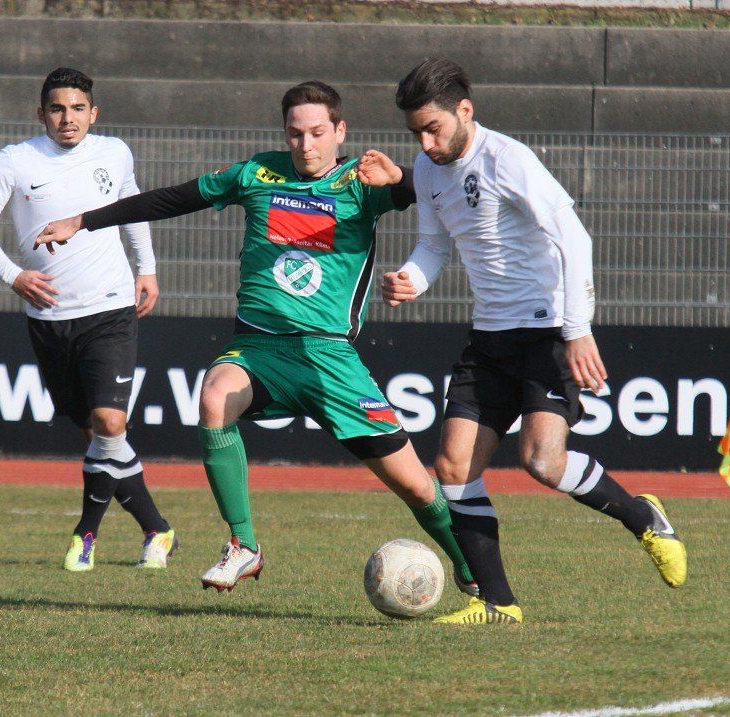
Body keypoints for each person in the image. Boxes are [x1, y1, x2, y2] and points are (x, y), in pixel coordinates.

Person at [35, 81, 476, 598]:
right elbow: (171, 199)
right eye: (295, 134)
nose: (306, 145)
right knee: (215, 395)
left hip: (328, 356)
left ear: (340, 132)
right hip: (259, 347)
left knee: (416, 486)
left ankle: (474, 573)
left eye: (317, 133)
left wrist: (400, 178)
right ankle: (243, 544)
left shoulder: (362, 180)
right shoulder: (257, 174)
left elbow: (438, 191)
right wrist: (82, 221)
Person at [375, 58, 688, 625]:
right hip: (489, 337)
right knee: (453, 466)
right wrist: (411, 280)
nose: (425, 144)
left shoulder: (508, 159)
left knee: (542, 462)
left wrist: (577, 330)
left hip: (547, 333)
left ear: (464, 111)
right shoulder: (426, 168)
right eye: (416, 133)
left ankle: (643, 517)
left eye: (433, 129)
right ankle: (497, 603)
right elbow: (435, 246)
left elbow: (574, 238)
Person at [0, 67, 177, 572]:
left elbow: (132, 209)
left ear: (93, 113)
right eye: (57, 109)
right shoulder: (15, 160)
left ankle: (85, 535)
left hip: (110, 308)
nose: (68, 118)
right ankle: (156, 529)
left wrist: (147, 268)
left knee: (109, 422)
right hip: (50, 317)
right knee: (99, 437)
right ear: (41, 114)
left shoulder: (114, 152)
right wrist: (14, 275)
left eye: (78, 108)